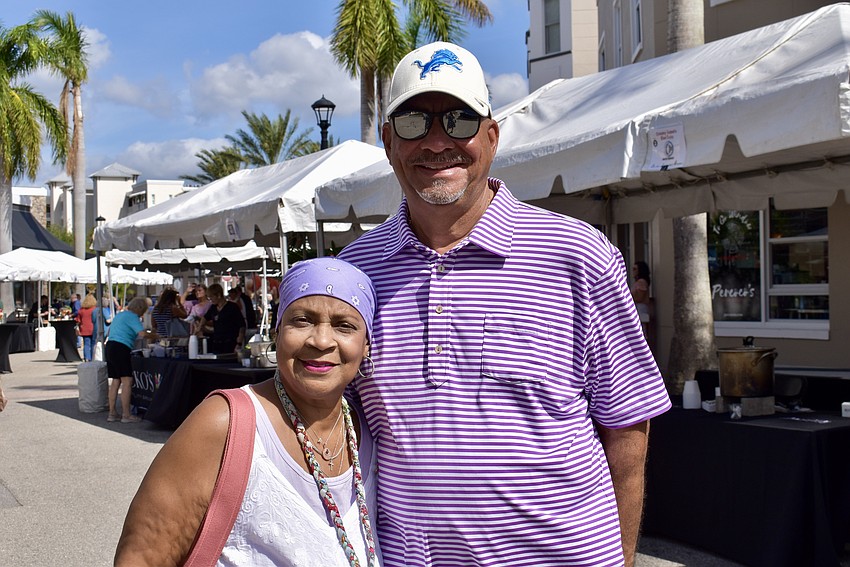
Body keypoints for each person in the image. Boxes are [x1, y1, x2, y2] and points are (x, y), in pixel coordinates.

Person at [337, 41, 672, 567]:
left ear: (491, 137)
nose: (437, 140)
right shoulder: (356, 273)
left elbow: (627, 426)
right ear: (387, 142)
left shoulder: (578, 255)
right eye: (413, 123)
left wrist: (623, 560)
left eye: (458, 119)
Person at [115, 257, 381, 566]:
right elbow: (143, 557)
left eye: (344, 326)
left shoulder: (369, 432)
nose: (321, 340)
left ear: (366, 346)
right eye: (302, 320)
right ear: (278, 332)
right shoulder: (225, 424)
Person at [105, 297, 157, 423]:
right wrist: (156, 335)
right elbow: (142, 334)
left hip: (110, 346)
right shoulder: (133, 317)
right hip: (121, 348)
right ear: (141, 309)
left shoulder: (121, 315)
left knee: (115, 381)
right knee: (127, 381)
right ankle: (126, 415)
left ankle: (112, 413)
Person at [196, 283, 245, 354]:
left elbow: (242, 326)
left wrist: (239, 343)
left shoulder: (232, 307)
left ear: (218, 295)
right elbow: (205, 317)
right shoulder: (213, 308)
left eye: (211, 297)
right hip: (216, 343)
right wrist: (200, 327)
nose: (210, 300)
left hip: (230, 343)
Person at [631, 261, 652, 336]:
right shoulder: (638, 282)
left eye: (635, 269)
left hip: (640, 308)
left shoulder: (641, 282)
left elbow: (640, 298)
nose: (633, 271)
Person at [75, 293, 97, 361]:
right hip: (93, 328)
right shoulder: (94, 309)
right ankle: (93, 357)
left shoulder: (81, 310)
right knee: (93, 344)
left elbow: (78, 320)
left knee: (86, 344)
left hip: (84, 329)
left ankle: (87, 357)